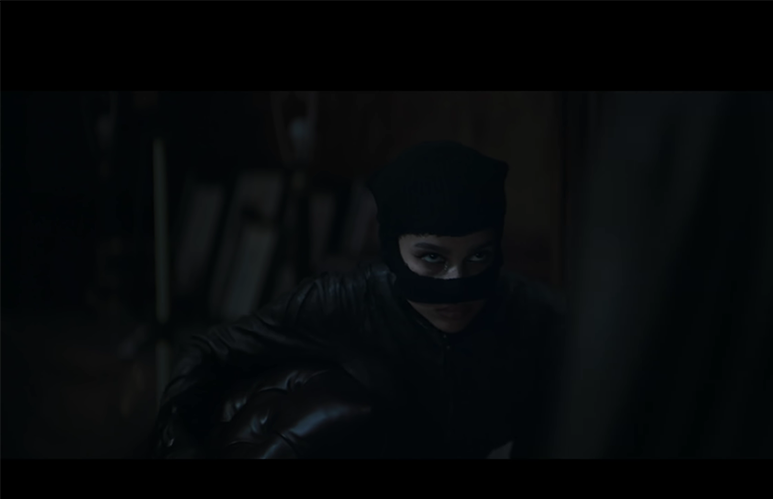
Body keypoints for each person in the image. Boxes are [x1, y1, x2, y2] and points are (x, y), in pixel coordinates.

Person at [153, 141, 565, 459]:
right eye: (432, 259)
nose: (457, 284)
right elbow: (209, 351)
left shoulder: (535, 316)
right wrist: (179, 446)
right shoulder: (346, 300)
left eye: (478, 256)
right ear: (394, 250)